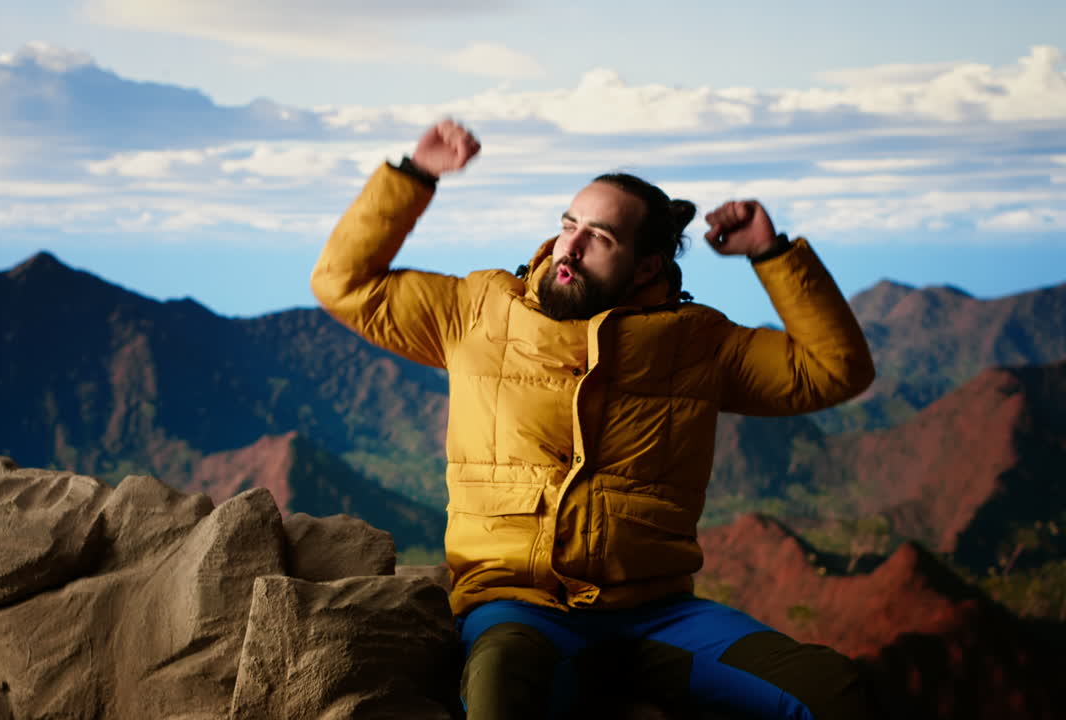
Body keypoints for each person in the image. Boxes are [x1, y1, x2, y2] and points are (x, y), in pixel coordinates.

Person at [311, 118, 879, 720]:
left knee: (833, 691)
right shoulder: (476, 310)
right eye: (568, 225)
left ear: (646, 267)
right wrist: (415, 174)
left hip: (661, 616)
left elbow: (835, 370)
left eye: (599, 237)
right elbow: (341, 282)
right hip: (516, 607)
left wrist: (771, 252)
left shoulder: (697, 343)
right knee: (499, 688)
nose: (570, 247)